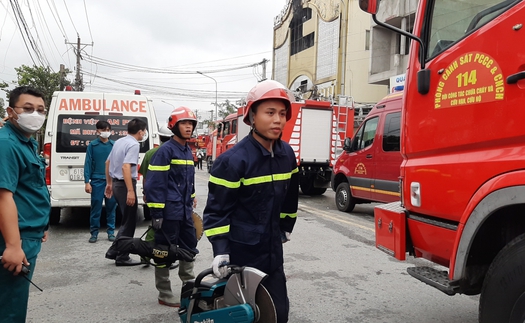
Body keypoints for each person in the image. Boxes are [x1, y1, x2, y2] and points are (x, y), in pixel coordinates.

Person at [203, 80, 299, 323]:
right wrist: (221, 251)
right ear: (252, 117)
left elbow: (290, 197)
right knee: (243, 315)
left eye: (282, 113)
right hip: (241, 253)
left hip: (273, 252)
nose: (278, 119)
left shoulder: (287, 154)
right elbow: (217, 211)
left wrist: (286, 227)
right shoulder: (232, 161)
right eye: (270, 113)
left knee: (278, 314)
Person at [0, 86, 50, 321]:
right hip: (13, 239)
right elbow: (4, 196)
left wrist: (41, 225)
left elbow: (30, 188)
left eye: (40, 110)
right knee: (9, 308)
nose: (35, 115)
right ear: (11, 111)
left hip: (27, 234)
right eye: (28, 108)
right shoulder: (6, 144)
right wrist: (12, 245)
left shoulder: (27, 142)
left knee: (15, 301)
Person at [145, 107, 199, 307]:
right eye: (184, 123)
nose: (188, 127)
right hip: (168, 212)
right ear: (173, 126)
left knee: (189, 246)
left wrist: (191, 197)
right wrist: (157, 213)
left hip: (184, 211)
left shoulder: (187, 150)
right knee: (163, 251)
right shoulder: (165, 151)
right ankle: (164, 292)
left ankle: (189, 286)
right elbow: (155, 184)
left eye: (191, 124)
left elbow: (187, 181)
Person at [104, 118, 148, 266]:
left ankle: (114, 250)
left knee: (126, 220)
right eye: (144, 131)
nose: (144, 134)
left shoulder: (119, 142)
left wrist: (109, 183)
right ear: (141, 132)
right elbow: (126, 167)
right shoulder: (134, 144)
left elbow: (108, 162)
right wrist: (130, 191)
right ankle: (122, 255)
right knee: (130, 221)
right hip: (124, 185)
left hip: (116, 184)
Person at [84, 120, 117, 243]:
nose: (106, 132)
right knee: (96, 207)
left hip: (111, 181)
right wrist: (87, 181)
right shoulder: (92, 146)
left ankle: (111, 232)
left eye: (108, 130)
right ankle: (94, 233)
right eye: (103, 130)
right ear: (97, 131)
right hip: (97, 180)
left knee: (111, 207)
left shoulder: (114, 145)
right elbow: (87, 163)